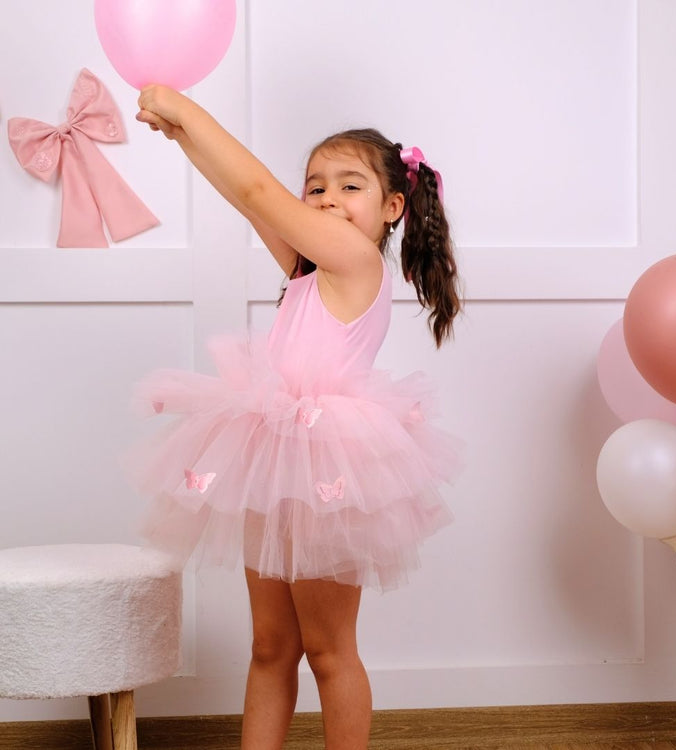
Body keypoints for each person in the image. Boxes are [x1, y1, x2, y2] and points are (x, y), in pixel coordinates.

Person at [130, 85, 462, 750]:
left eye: (350, 186)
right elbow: (243, 198)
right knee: (270, 646)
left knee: (329, 651)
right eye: (315, 190)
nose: (329, 200)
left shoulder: (355, 259)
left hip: (325, 468)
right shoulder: (310, 268)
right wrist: (183, 138)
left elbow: (257, 190)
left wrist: (187, 106)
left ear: (392, 206)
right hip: (275, 458)